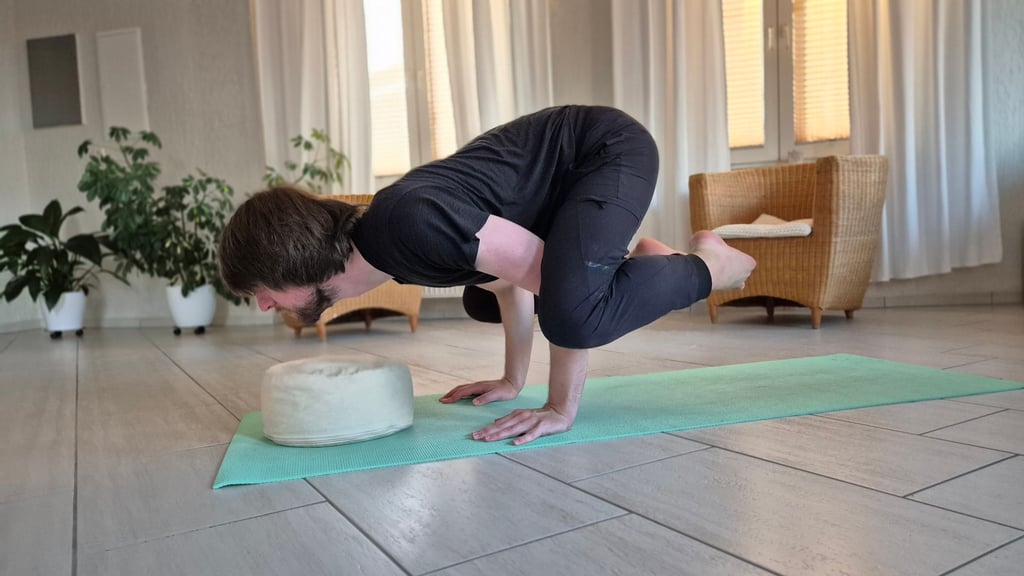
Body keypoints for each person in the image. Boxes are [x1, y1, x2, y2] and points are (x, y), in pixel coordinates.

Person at [219, 105, 756, 445]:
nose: (264, 305)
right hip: (558, 197)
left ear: (289, 260)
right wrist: (512, 381)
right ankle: (643, 264)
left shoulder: (405, 223)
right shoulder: (388, 254)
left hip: (602, 150)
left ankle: (711, 262)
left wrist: (558, 407)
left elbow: (547, 282)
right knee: (484, 299)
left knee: (574, 314)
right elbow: (507, 281)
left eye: (261, 291)